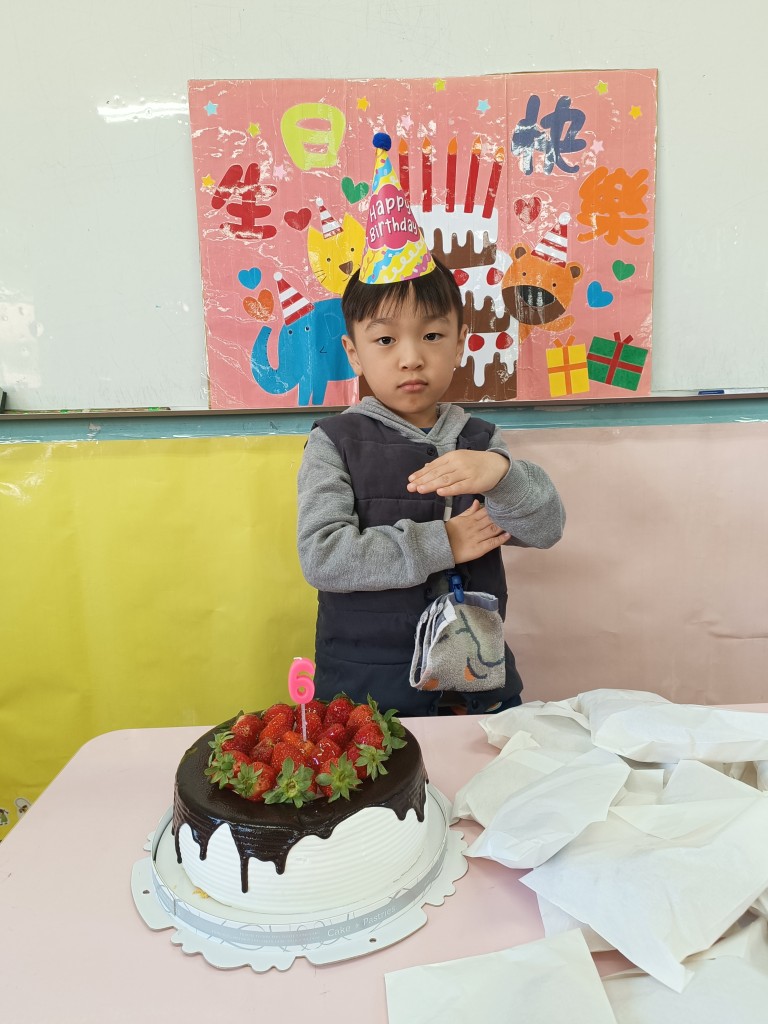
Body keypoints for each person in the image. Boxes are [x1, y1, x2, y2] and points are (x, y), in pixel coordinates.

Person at [296, 134, 564, 716]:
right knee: (385, 780)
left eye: (432, 335)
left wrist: (501, 476)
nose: (411, 357)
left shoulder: (480, 440)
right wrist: (445, 542)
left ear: (460, 343)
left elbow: (546, 529)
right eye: (385, 340)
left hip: (476, 680)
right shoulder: (334, 443)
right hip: (367, 694)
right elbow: (323, 556)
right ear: (353, 352)